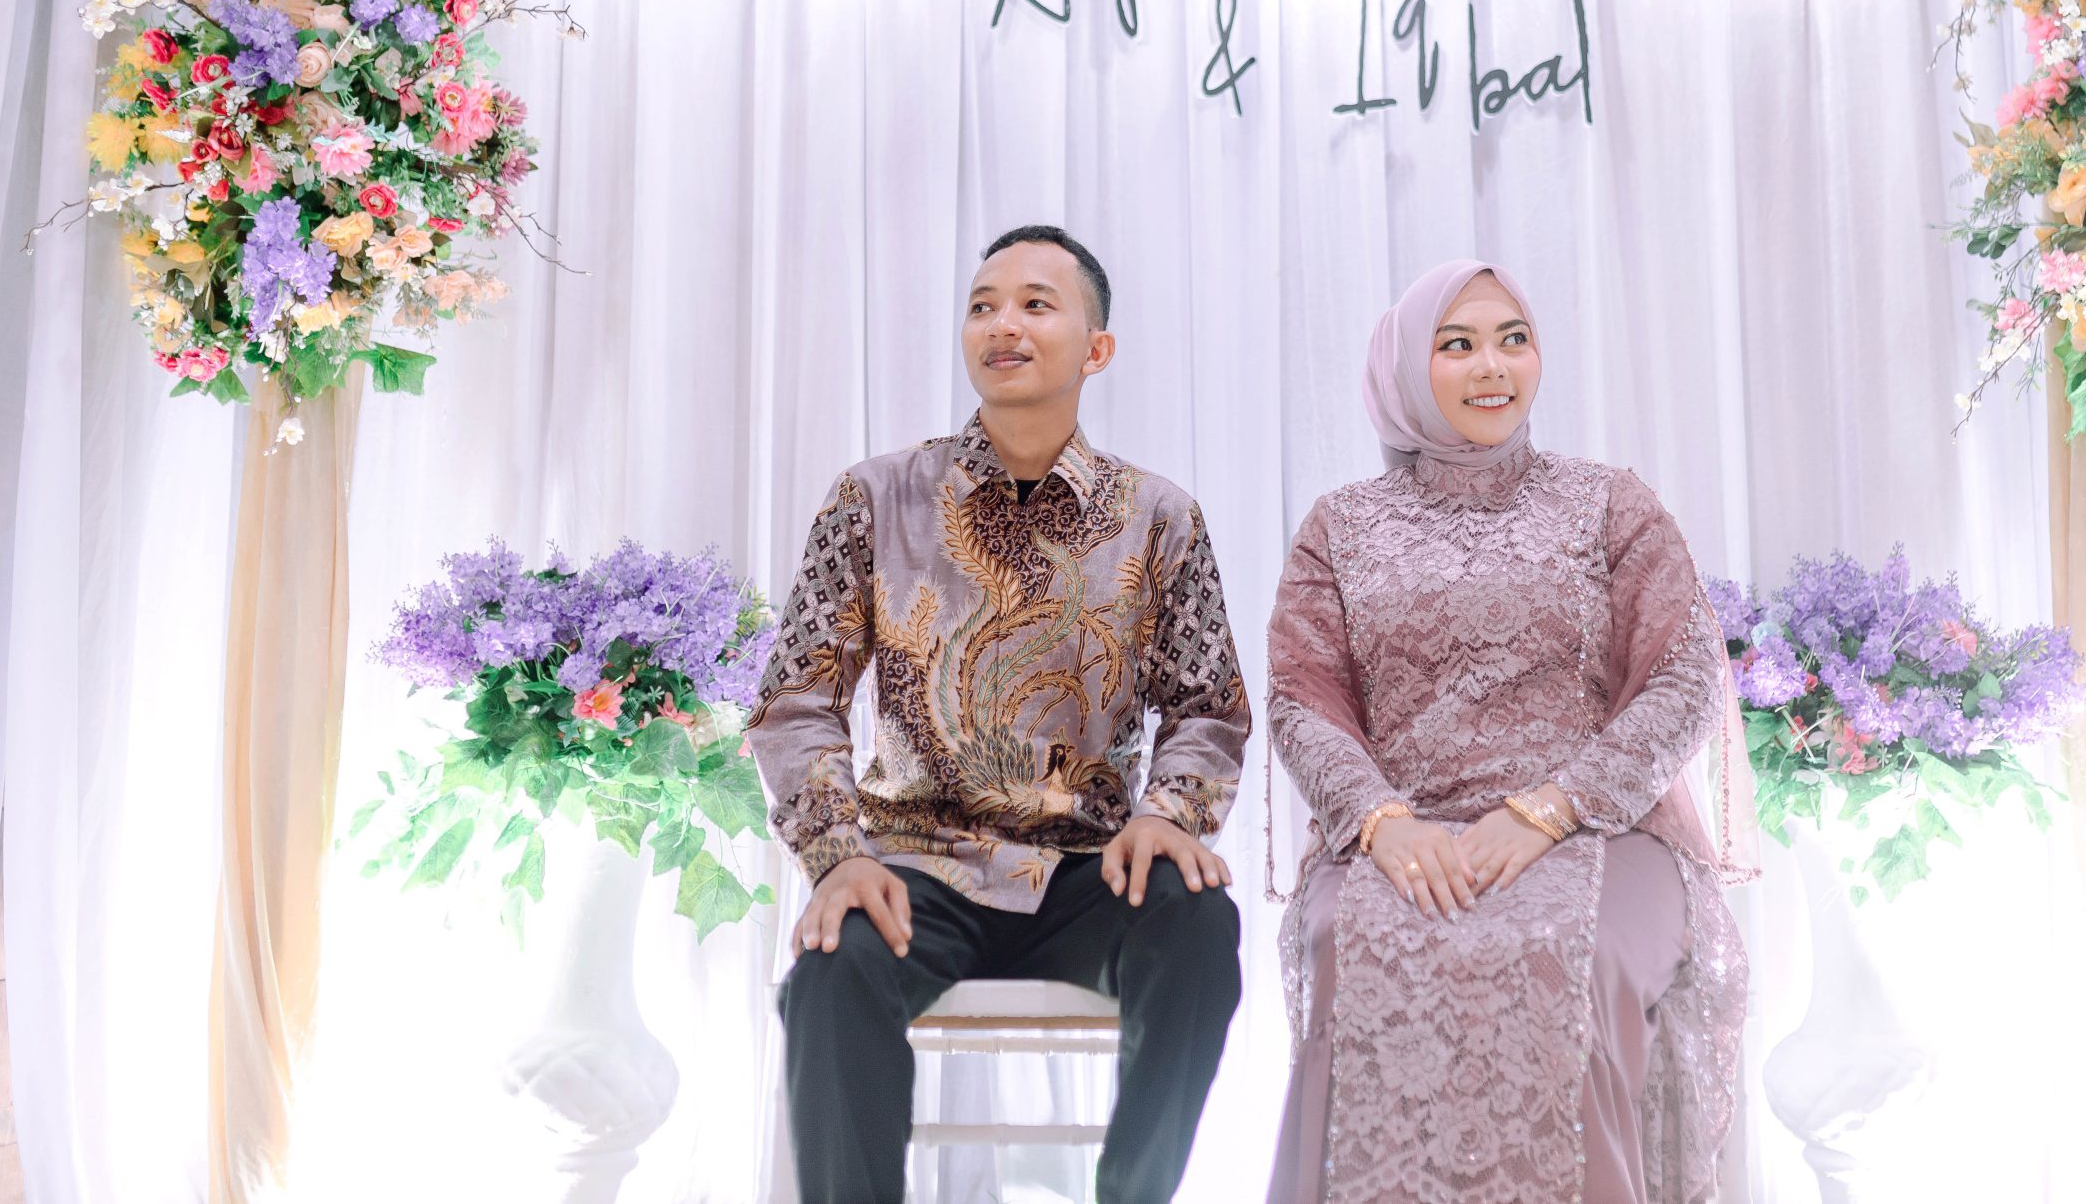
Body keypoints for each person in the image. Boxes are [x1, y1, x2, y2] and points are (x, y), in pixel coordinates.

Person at [748, 224, 1249, 1204]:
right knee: (830, 967)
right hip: (917, 864)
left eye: (1033, 304)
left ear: (1096, 348)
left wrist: (1169, 815)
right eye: (982, 305)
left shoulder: (1159, 516)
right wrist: (837, 854)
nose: (1001, 324)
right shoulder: (875, 497)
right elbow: (797, 701)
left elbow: (1207, 706)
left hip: (1091, 867)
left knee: (1197, 924)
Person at [1264, 259, 1757, 1204]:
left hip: (1599, 825)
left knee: (1565, 949)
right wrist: (1382, 822)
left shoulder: (1609, 503)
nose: (1492, 366)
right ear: (1406, 368)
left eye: (1512, 339)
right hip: (1398, 834)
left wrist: (1552, 808)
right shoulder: (1341, 526)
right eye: (1457, 345)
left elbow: (1685, 672)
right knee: (1354, 942)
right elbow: (1302, 695)